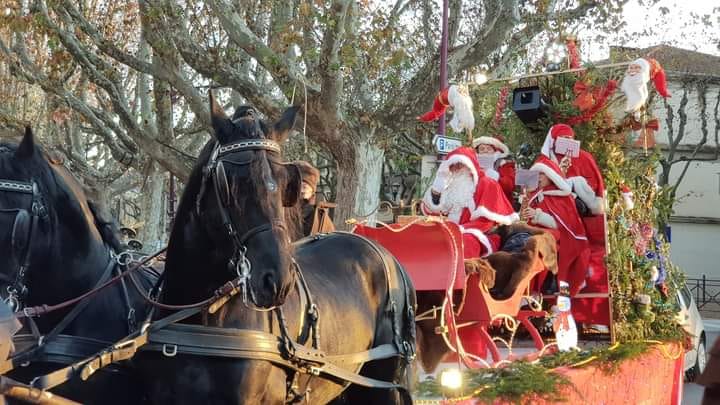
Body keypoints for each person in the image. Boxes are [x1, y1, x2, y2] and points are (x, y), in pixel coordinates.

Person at [541, 123, 609, 327]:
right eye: (563, 140)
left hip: (578, 219)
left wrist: (575, 184)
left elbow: (595, 189)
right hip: (552, 216)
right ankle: (551, 299)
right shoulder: (545, 162)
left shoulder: (584, 158)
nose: (567, 144)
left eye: (570, 140)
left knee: (577, 253)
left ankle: (565, 298)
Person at [421, 147, 518, 258]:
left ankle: (460, 275)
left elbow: (485, 222)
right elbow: (433, 214)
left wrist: (458, 230)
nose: (456, 168)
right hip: (451, 231)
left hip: (480, 235)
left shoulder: (487, 184)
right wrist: (436, 191)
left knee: (465, 243)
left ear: (470, 165)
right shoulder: (449, 186)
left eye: (460, 164)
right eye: (453, 165)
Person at [523, 155, 590, 296]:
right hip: (537, 234)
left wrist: (538, 216)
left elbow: (563, 224)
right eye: (537, 174)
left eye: (542, 174)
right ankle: (529, 289)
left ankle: (557, 291)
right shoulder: (536, 195)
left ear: (550, 176)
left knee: (541, 244)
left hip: (564, 239)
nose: (539, 178)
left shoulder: (561, 196)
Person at [294, 161, 335, 237]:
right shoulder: (279, 211)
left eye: (305, 186)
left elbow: (330, 244)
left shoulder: (321, 218)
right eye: (298, 185)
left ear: (313, 190)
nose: (302, 190)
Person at [471, 135, 516, 203]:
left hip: (499, 205)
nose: (485, 151)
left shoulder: (504, 164)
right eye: (482, 149)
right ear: (478, 152)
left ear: (494, 151)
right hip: (478, 203)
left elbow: (509, 187)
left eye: (489, 148)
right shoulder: (472, 165)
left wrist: (495, 176)